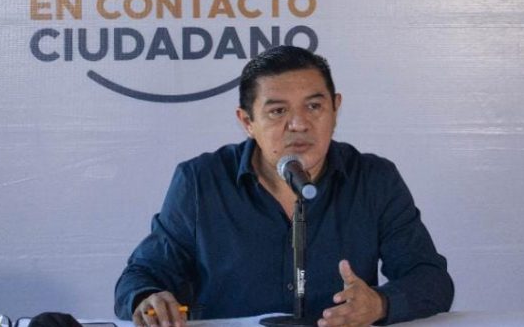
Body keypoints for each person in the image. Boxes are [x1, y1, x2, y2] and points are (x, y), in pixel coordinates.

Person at [114, 46, 454, 327]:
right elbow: (143, 274)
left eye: (314, 106)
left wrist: (379, 304)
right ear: (247, 122)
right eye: (277, 111)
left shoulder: (373, 179)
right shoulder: (201, 181)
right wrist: (147, 297)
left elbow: (432, 280)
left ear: (335, 109)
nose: (299, 124)